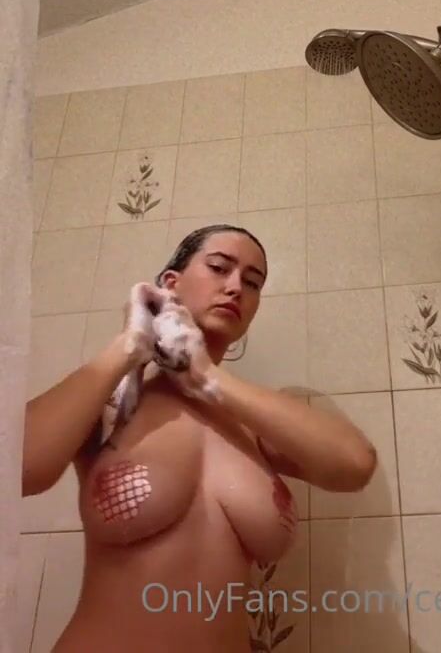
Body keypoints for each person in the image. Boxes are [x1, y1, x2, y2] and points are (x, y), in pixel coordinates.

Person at [22, 224, 377, 652]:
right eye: (219, 268)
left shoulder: (253, 424)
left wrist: (208, 377)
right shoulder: (113, 403)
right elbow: (17, 467)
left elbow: (354, 465)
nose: (236, 287)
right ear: (171, 283)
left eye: (253, 282)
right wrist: (129, 345)